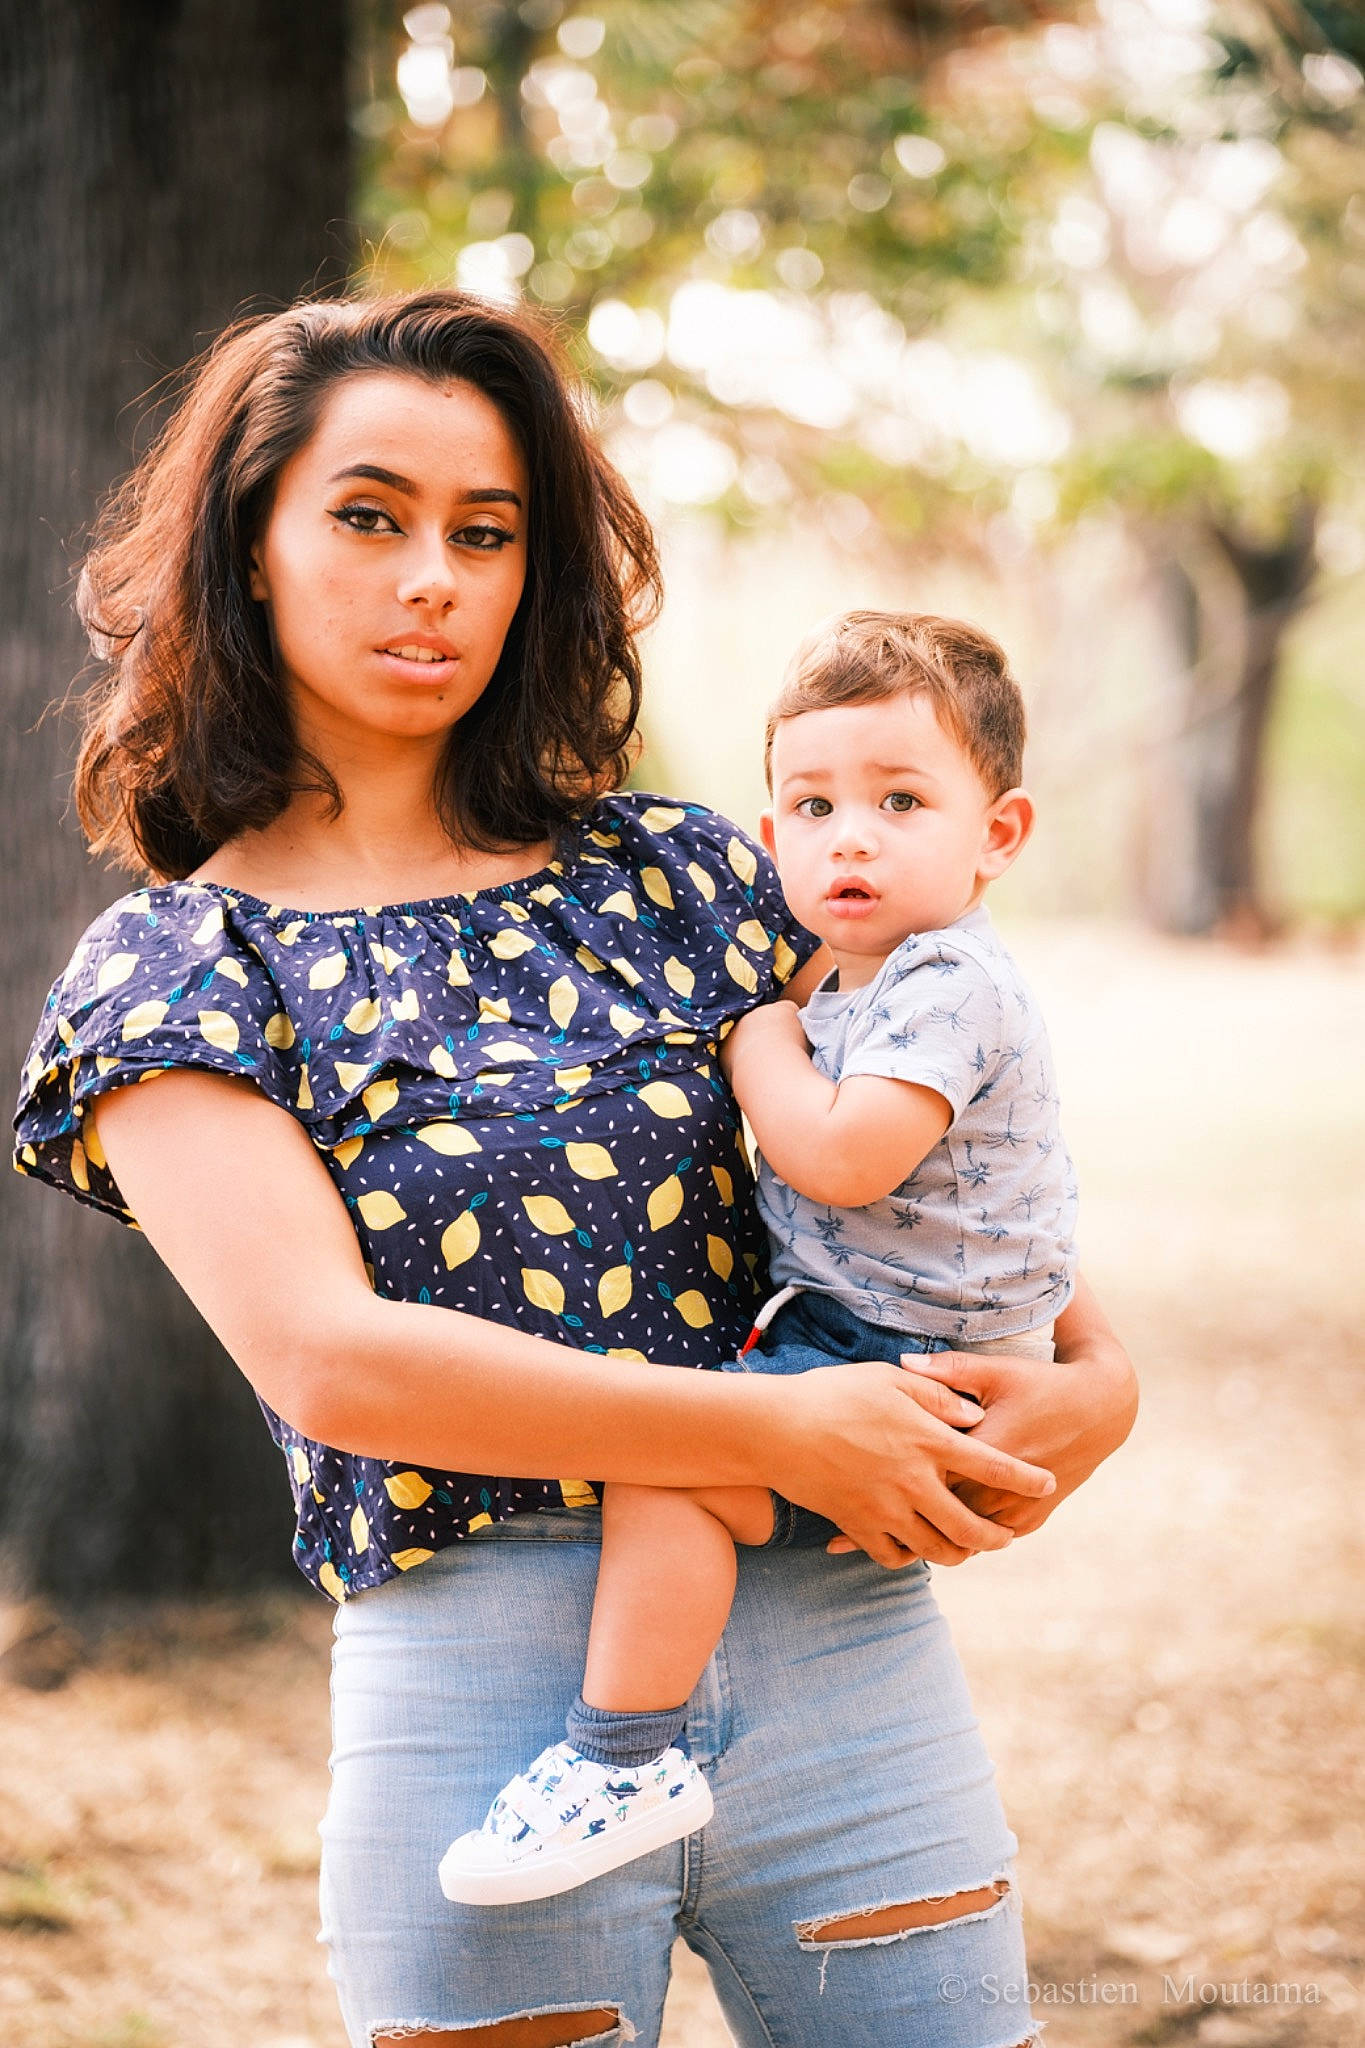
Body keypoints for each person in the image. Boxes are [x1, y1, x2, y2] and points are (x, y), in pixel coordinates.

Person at [12, 289, 1136, 2048]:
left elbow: (937, 1172)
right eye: (368, 517)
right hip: (483, 1696)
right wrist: (774, 1431)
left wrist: (1098, 1383)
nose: (432, 580)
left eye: (487, 533)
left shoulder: (687, 878)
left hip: (846, 1658)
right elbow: (331, 1361)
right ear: (246, 550)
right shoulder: (180, 972)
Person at [438, 608, 1079, 1909]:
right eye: (814, 805)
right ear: (772, 833)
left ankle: (620, 1758)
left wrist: (753, 1044)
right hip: (880, 1327)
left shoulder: (946, 983)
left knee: (671, 1473)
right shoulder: (863, 974)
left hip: (908, 1356)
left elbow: (841, 1159)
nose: (852, 836)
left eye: (902, 801)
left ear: (997, 834)